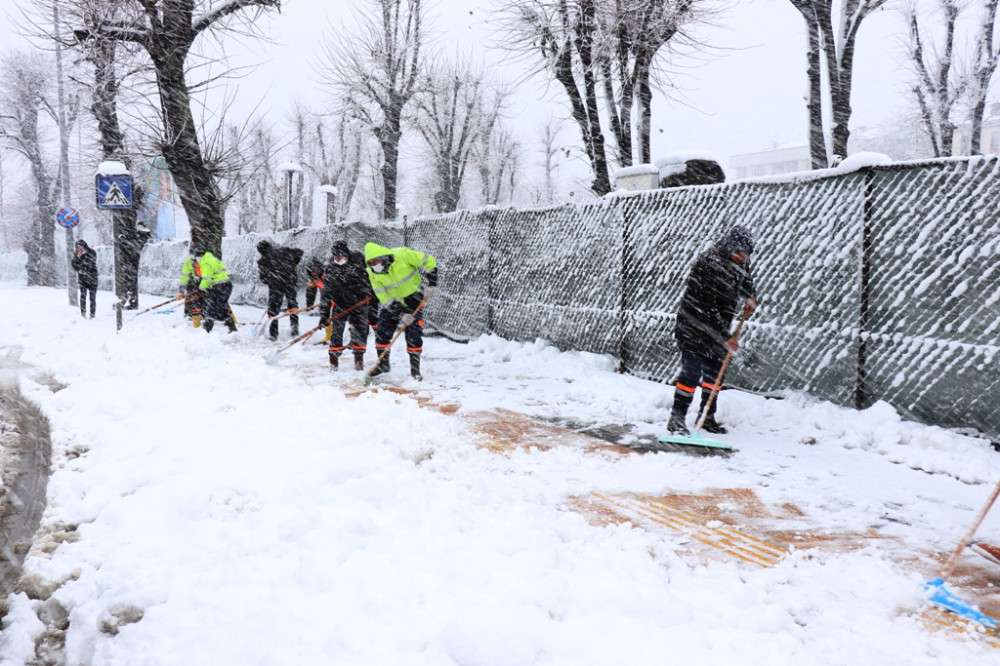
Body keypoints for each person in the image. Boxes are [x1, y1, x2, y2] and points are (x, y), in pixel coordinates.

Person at [667, 225, 757, 436]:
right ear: (729, 247)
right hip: (694, 325)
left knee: (715, 375)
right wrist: (726, 337)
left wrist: (750, 296)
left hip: (718, 328)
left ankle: (707, 416)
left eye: (745, 255)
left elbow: (745, 280)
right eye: (738, 253)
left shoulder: (740, 263)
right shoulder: (708, 263)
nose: (741, 258)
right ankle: (676, 418)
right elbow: (706, 306)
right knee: (691, 373)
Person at [364, 242, 438, 381]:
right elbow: (382, 295)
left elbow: (428, 260)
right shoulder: (372, 272)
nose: (374, 265)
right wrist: (400, 314)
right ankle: (383, 365)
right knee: (382, 332)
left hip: (413, 298)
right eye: (370, 263)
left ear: (383, 257)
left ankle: (415, 370)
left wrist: (432, 281)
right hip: (393, 302)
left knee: (413, 335)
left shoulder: (402, 254)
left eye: (375, 261)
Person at [318, 241, 375, 371]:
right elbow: (326, 294)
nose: (338, 258)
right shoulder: (331, 270)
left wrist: (366, 301)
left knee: (360, 333)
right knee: (336, 334)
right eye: (335, 256)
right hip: (340, 305)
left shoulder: (358, 267)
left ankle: (359, 363)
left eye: (341, 256)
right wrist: (324, 315)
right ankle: (333, 365)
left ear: (346, 255)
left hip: (359, 304)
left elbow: (368, 286)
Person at [257, 240, 304, 341]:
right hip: (289, 281)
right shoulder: (285, 251)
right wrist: (292, 266)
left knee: (273, 309)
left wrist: (270, 278)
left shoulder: (262, 261)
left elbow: (263, 279)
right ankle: (294, 328)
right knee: (292, 304)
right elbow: (299, 252)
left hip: (275, 286)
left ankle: (274, 334)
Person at [184, 245, 237, 334]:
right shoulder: (211, 258)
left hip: (220, 286)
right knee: (221, 307)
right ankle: (232, 328)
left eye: (196, 257)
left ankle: (207, 330)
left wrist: (201, 288)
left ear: (199, 256)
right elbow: (212, 277)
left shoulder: (205, 262)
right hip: (225, 286)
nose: (196, 260)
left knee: (212, 307)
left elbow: (207, 278)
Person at [71, 240, 98, 319]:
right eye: (77, 247)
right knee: (83, 296)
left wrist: (83, 256)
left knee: (92, 298)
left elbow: (91, 263)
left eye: (80, 246)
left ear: (84, 245)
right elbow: (75, 266)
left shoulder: (92, 252)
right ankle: (83, 313)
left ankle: (92, 314)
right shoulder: (76, 255)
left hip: (92, 278)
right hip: (82, 278)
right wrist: (78, 258)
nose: (79, 248)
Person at [179, 251, 204, 327]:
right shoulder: (188, 263)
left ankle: (203, 313)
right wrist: (181, 290)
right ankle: (188, 314)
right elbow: (184, 277)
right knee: (191, 297)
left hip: (203, 279)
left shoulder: (206, 261)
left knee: (202, 297)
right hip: (192, 281)